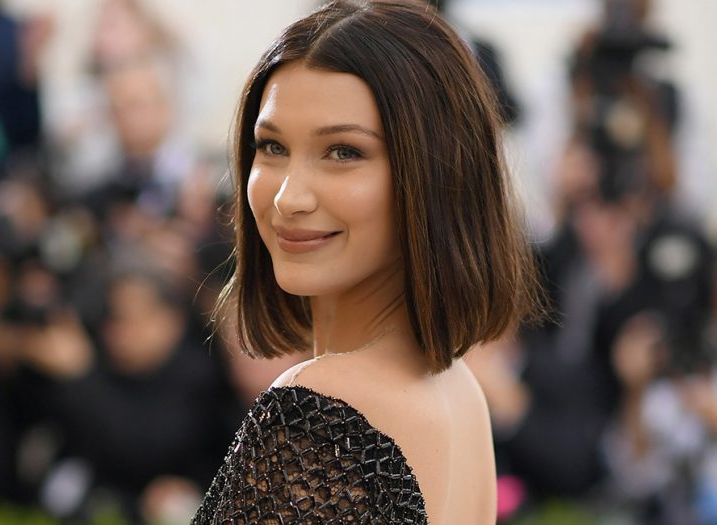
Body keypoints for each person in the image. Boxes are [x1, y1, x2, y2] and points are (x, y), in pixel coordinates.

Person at [192, 0, 542, 523]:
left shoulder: (319, 408)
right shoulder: (457, 389)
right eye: (271, 146)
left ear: (434, 175)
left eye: (343, 152)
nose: (289, 197)